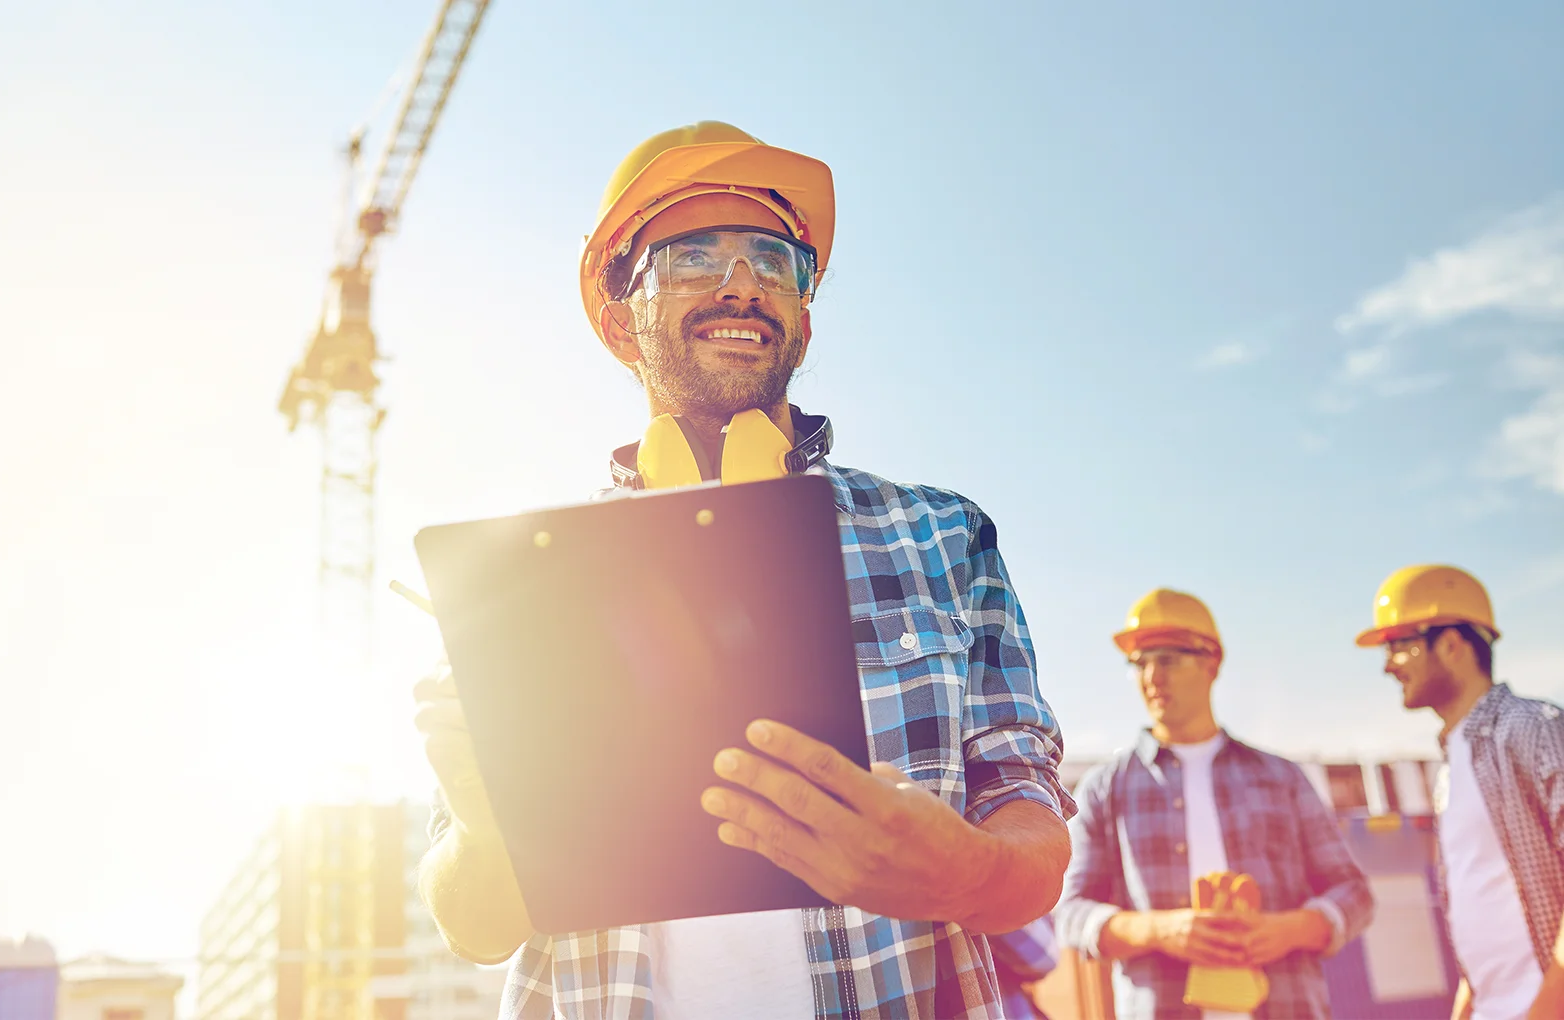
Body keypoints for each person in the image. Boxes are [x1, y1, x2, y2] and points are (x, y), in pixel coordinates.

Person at [409, 120, 1074, 1018]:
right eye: (692, 256)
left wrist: (968, 872)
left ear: (804, 311)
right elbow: (475, 927)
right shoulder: (524, 582)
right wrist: (489, 824)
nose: (743, 285)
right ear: (618, 318)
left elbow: (1029, 837)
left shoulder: (943, 534)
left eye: (774, 259)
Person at [1056, 588, 1373, 1018]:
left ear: (1212, 662)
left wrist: (1291, 929)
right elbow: (1070, 913)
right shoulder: (1104, 788)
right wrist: (1159, 929)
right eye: (1140, 662)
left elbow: (1354, 892)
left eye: (1166, 659)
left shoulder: (1282, 778)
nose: (1151, 676)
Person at [1358, 564, 1564, 1020]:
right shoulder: (1450, 770)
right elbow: (1486, 909)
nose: (1388, 664)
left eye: (1399, 645)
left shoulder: (1532, 728)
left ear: (1451, 644)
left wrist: (1547, 1007)